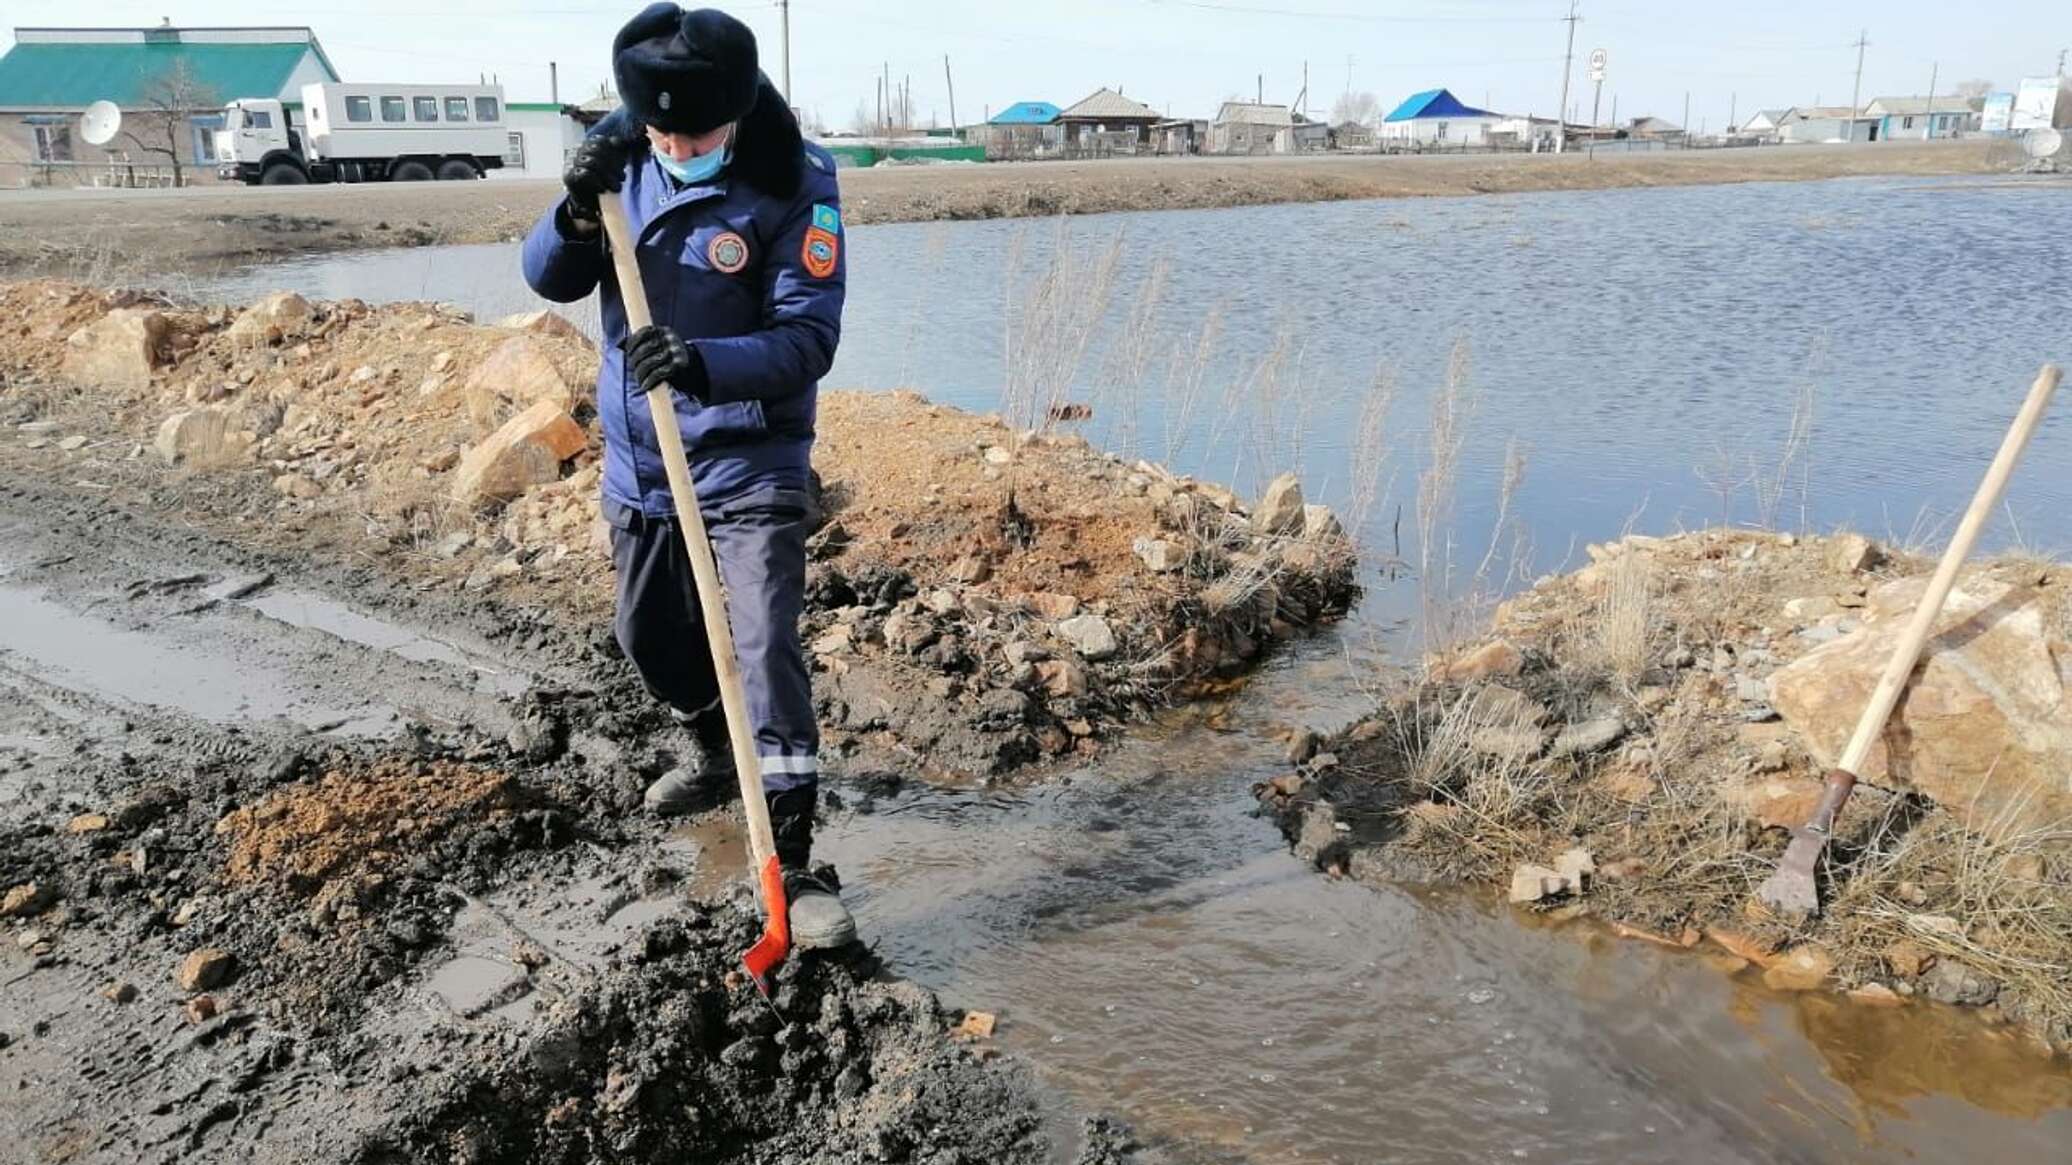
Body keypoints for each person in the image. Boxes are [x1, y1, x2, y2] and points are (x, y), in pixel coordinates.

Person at [520, 3, 852, 949]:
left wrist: (704, 361)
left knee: (762, 645)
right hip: (642, 457)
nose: (677, 145)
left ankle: (790, 855)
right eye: (663, 130)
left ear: (736, 114)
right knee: (649, 637)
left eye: (696, 132)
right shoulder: (619, 156)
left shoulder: (796, 183)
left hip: (751, 454)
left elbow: (807, 340)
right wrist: (576, 212)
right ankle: (716, 747)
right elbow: (548, 278)